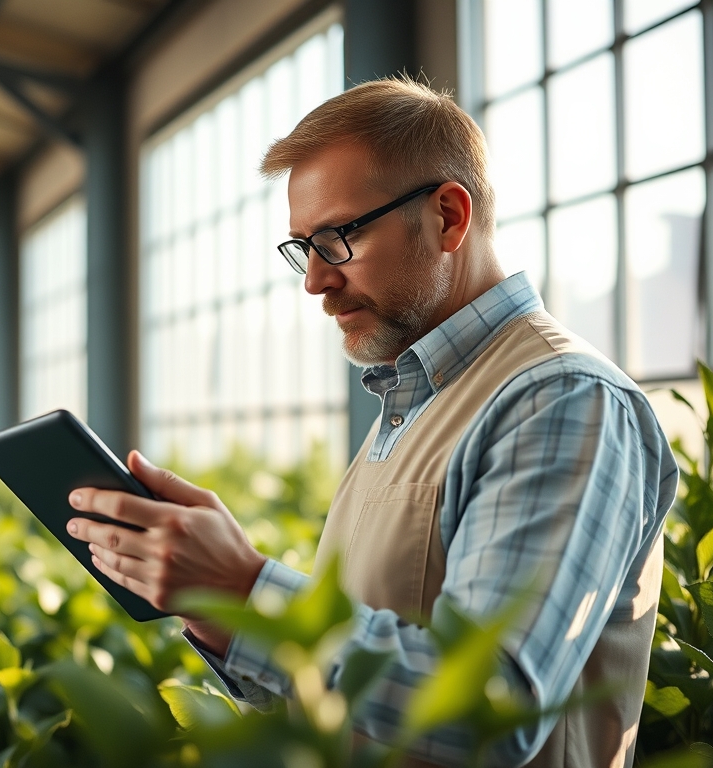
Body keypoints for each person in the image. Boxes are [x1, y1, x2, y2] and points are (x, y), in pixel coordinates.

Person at [64, 76, 677, 767]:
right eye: (304, 247)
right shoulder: (414, 398)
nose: (315, 281)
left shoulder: (561, 400)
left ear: (448, 215)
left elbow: (495, 710)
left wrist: (250, 588)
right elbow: (353, 697)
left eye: (337, 238)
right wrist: (218, 608)